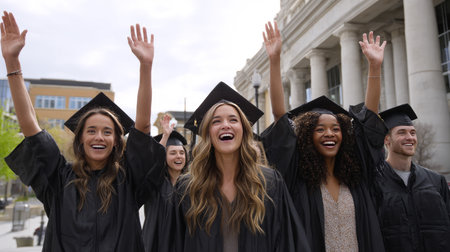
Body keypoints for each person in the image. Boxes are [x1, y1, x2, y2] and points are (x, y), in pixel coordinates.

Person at [2, 11, 165, 251]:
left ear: (116, 142)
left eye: (107, 132)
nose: (99, 136)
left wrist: (145, 67)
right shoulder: (58, 179)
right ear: (80, 139)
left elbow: (141, 128)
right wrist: (12, 62)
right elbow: (30, 127)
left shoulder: (128, 180)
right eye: (91, 131)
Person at [261, 21, 385, 251]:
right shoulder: (299, 180)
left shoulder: (355, 177)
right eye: (320, 129)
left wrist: (374, 68)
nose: (330, 134)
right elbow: (280, 116)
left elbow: (369, 124)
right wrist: (274, 60)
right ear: (307, 136)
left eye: (336, 129)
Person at [171, 82, 310, 251]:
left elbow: (286, 241)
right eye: (216, 121)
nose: (225, 125)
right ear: (208, 133)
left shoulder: (269, 183)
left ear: (244, 130)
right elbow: (174, 243)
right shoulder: (188, 188)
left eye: (233, 120)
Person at [350, 99, 450, 249]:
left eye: (412, 132)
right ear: (387, 139)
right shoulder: (374, 183)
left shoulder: (436, 181)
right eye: (402, 132)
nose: (410, 137)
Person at [141, 114, 188, 252]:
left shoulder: (191, 185)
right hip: (156, 244)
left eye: (181, 152)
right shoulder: (155, 184)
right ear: (164, 156)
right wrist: (165, 137)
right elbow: (153, 163)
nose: (179, 156)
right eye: (173, 153)